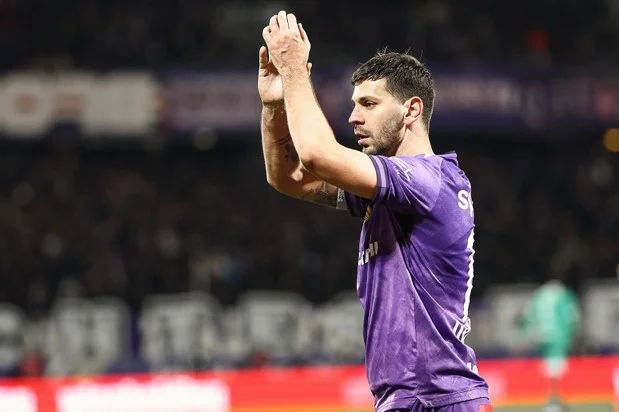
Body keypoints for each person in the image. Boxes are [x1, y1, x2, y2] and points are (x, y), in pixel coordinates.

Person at [258, 11, 491, 412]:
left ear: (411, 111)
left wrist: (294, 69)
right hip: (407, 399)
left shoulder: (427, 180)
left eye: (369, 104)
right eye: (354, 105)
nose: (354, 117)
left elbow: (316, 155)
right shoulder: (386, 195)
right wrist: (274, 106)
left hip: (437, 399)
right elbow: (290, 178)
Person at [518, 272, 581, 412]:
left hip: (541, 337)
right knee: (558, 370)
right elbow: (572, 317)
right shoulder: (564, 294)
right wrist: (573, 335)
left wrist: (526, 334)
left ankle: (550, 400)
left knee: (547, 369)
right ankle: (555, 401)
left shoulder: (538, 294)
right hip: (559, 337)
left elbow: (527, 317)